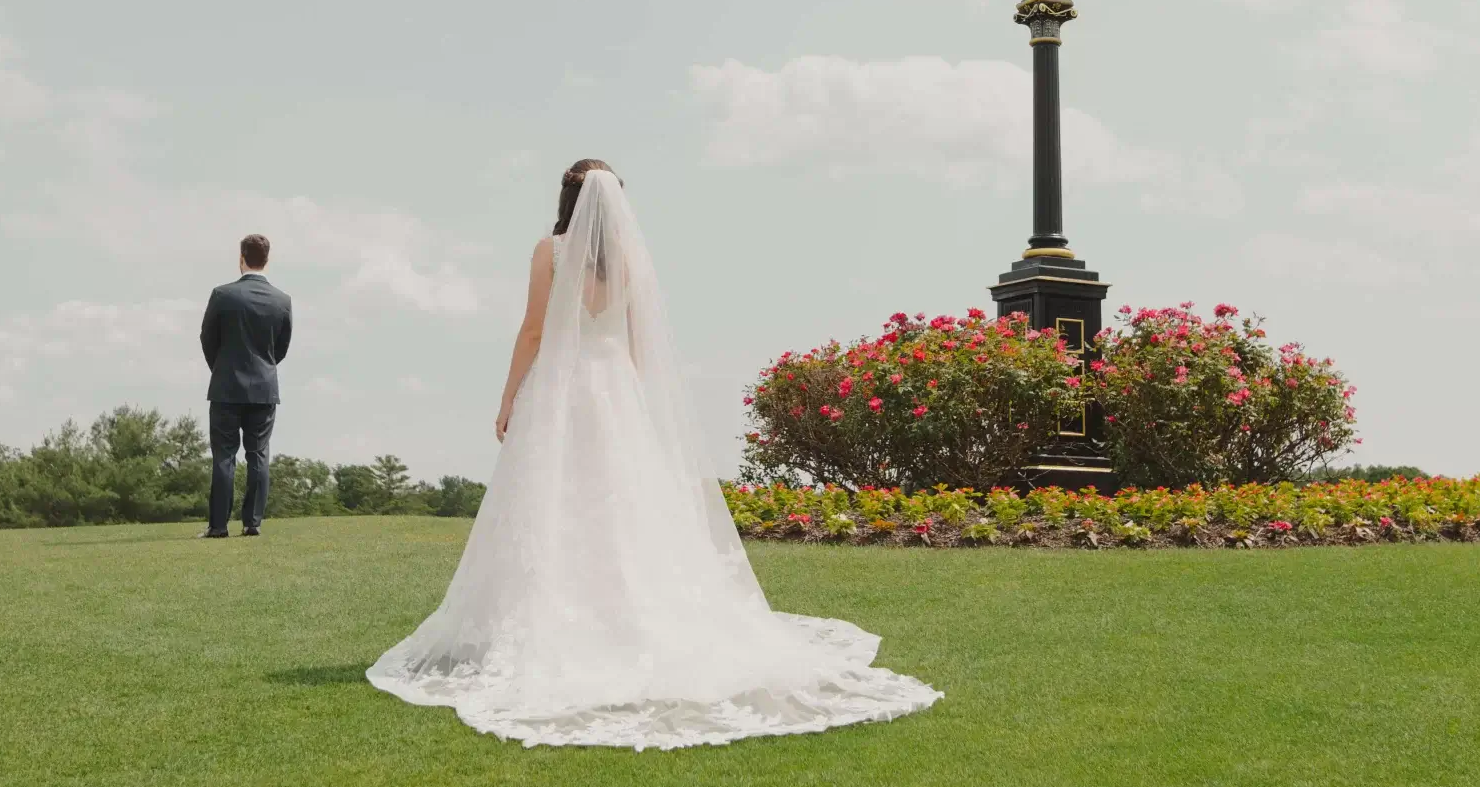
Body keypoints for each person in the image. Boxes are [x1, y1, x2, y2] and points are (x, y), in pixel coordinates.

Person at [367, 162, 941, 749]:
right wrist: (640, 408)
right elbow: (643, 340)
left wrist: (509, 398)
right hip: (615, 387)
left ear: (565, 199)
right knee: (621, 503)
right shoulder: (630, 262)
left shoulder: (551, 251)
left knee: (552, 500)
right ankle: (624, 615)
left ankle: (552, 621)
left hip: (562, 389)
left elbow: (534, 332)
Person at [198, 233, 294, 539]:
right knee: (259, 454)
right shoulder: (282, 301)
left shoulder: (222, 295)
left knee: (224, 456)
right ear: (267, 259)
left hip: (226, 387)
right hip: (264, 388)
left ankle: (218, 526)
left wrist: (222, 368)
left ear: (241, 257)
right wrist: (264, 368)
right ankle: (253, 523)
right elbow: (281, 348)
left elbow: (207, 338)